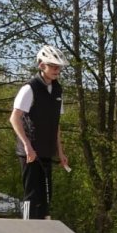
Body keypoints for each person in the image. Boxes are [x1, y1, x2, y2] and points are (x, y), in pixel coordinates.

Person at [10, 45, 71, 220]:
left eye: (58, 67)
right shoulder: (30, 88)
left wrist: (60, 152)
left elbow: (55, 124)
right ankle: (27, 232)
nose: (56, 70)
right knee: (32, 195)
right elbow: (15, 118)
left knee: (45, 197)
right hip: (29, 152)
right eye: (52, 65)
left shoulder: (58, 90)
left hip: (46, 151)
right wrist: (27, 146)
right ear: (41, 65)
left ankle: (43, 232)